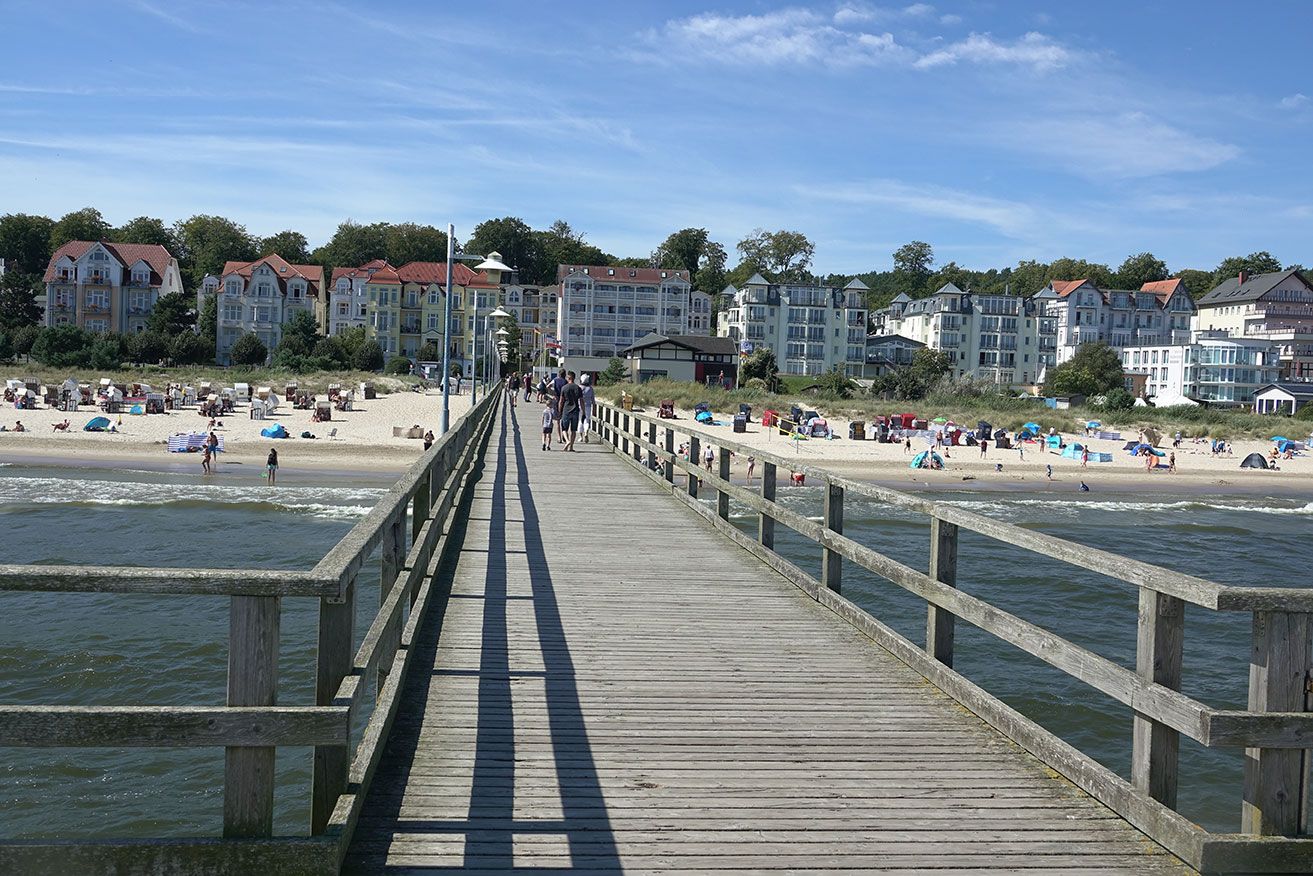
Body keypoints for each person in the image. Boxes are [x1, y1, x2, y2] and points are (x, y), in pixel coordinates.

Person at [558, 370, 584, 451]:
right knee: (573, 430)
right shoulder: (578, 388)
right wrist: (583, 411)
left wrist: (559, 411)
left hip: (566, 410)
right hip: (575, 410)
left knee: (564, 429)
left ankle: (567, 440)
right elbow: (581, 401)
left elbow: (561, 401)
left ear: (568, 378)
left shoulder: (564, 388)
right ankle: (571, 447)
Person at [579, 373, 595, 443]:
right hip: (588, 406)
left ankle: (581, 437)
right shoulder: (590, 388)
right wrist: (594, 409)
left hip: (579, 406)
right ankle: (586, 432)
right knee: (587, 421)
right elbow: (593, 400)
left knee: (580, 421)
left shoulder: (579, 388)